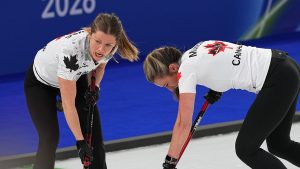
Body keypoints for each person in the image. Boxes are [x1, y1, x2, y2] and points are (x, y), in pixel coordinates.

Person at [143, 40, 300, 169]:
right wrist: (215, 89)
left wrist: (169, 162)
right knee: (279, 144)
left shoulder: (186, 70)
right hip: (286, 67)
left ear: (173, 68)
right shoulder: (197, 49)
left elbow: (183, 123)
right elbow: (227, 63)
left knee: (246, 149)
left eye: (166, 85)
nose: (170, 89)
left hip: (277, 80)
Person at [24, 13, 139, 169]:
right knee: (49, 137)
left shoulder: (111, 46)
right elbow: (69, 104)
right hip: (40, 83)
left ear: (115, 43)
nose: (101, 49)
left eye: (107, 45)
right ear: (90, 34)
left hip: (74, 76)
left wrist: (95, 87)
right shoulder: (71, 52)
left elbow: (100, 66)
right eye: (97, 41)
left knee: (94, 137)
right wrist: (80, 142)